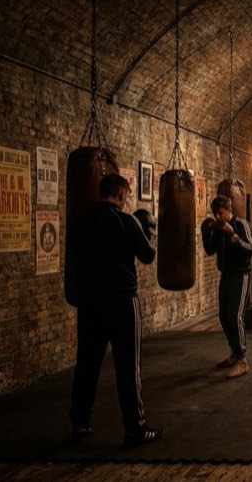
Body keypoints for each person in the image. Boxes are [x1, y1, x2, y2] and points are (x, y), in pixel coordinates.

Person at [66, 174, 163, 446]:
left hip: (89, 303)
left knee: (86, 364)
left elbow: (74, 255)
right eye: (126, 196)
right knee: (127, 366)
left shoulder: (80, 222)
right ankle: (135, 427)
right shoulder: (126, 220)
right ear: (121, 195)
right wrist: (150, 234)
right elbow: (147, 255)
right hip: (122, 302)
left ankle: (80, 424)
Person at [202, 195, 252, 379]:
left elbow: (250, 249)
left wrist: (232, 235)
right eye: (215, 213)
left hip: (241, 275)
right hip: (226, 275)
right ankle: (234, 353)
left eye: (221, 213)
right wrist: (205, 234)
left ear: (229, 210)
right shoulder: (217, 228)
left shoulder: (241, 224)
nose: (217, 216)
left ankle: (242, 359)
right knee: (223, 317)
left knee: (235, 316)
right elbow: (210, 250)